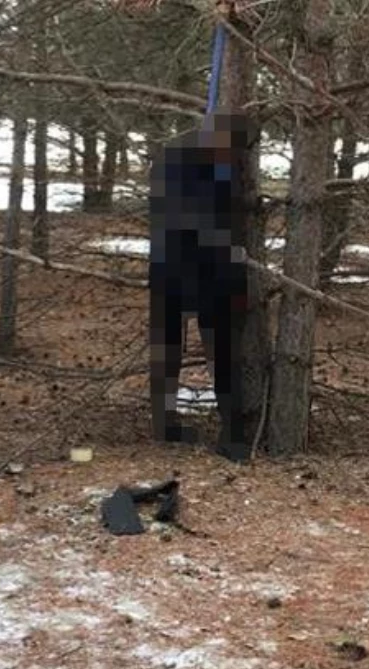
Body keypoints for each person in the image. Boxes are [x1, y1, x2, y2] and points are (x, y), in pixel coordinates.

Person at [148, 110, 254, 463]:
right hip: (185, 270)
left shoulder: (221, 163)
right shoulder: (180, 160)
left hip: (200, 274)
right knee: (174, 352)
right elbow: (185, 216)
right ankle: (172, 425)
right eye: (236, 150)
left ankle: (230, 433)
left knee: (217, 353)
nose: (239, 157)